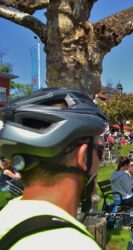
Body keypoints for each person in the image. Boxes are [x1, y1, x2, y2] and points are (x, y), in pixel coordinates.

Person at [0, 88, 107, 249]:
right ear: (82, 156)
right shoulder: (74, 245)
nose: (99, 159)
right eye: (99, 151)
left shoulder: (8, 216)